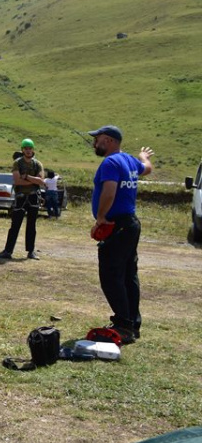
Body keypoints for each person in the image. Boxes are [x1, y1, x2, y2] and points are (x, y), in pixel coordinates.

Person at [88, 125, 153, 344]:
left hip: (116, 225)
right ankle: (132, 324)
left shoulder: (110, 163)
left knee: (111, 275)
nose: (95, 144)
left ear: (109, 140)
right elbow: (147, 168)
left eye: (98, 140)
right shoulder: (129, 161)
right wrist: (143, 157)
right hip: (131, 224)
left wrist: (101, 217)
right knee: (128, 274)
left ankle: (123, 324)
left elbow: (109, 191)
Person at [0, 138, 45, 260]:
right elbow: (17, 181)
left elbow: (41, 181)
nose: (28, 151)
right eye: (26, 148)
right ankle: (8, 251)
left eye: (30, 148)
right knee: (15, 225)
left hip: (33, 197)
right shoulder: (17, 163)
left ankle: (31, 251)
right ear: (22, 150)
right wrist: (33, 181)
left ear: (33, 150)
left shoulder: (38, 164)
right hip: (21, 197)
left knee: (31, 226)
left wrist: (26, 177)